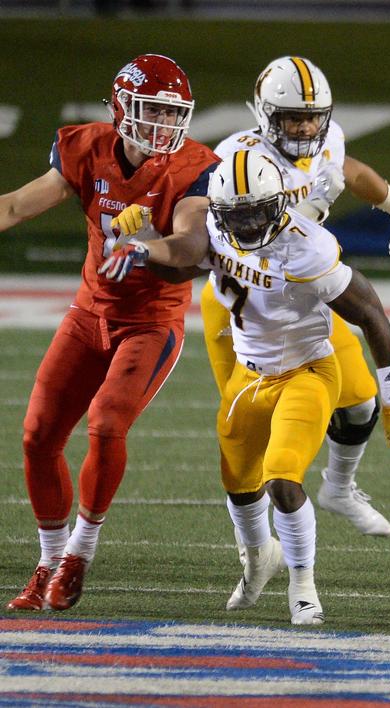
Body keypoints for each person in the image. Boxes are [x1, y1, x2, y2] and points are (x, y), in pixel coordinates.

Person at [99, 149, 390, 623]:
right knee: (239, 485)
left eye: (256, 210)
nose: (248, 224)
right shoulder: (216, 228)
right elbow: (183, 266)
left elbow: (372, 315)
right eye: (237, 214)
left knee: (282, 480)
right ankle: (256, 563)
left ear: (278, 203)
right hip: (249, 376)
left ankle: (303, 584)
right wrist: (145, 242)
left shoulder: (306, 246)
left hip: (308, 372)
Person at [1, 54, 218, 612]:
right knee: (37, 436)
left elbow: (194, 247)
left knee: (105, 422)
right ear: (121, 107)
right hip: (88, 312)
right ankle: (47, 559)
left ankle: (78, 552)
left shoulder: (194, 166)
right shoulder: (87, 148)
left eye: (172, 114)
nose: (161, 126)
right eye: (149, 111)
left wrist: (145, 247)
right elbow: (16, 206)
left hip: (151, 320)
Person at [203, 56, 390, 536]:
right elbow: (214, 223)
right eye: (292, 117)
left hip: (301, 295)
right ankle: (256, 546)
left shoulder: (325, 141)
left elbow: (348, 168)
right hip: (240, 302)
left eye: (312, 116)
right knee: (248, 435)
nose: (305, 128)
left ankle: (338, 489)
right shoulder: (240, 160)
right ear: (265, 114)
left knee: (363, 402)